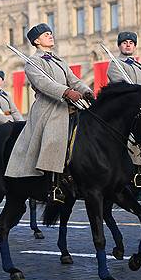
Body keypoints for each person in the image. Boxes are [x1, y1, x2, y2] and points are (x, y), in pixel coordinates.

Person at [5, 23, 94, 203]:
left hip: (69, 106)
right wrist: (66, 92)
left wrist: (86, 91)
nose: (50, 36)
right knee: (54, 139)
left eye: (51, 33)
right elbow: (44, 84)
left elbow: (74, 80)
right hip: (48, 108)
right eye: (46, 35)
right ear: (37, 41)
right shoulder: (32, 63)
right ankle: (54, 184)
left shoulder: (59, 60)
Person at [106, 31, 141, 190]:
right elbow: (122, 86)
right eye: (124, 42)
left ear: (135, 46)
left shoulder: (139, 66)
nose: (128, 44)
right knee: (130, 141)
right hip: (125, 111)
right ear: (119, 45)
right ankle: (130, 175)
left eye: (131, 42)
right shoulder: (115, 65)